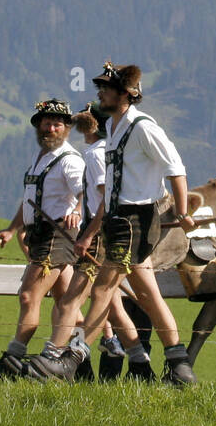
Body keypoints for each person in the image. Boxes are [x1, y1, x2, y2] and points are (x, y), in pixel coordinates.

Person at [30, 62, 197, 384]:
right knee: (148, 295)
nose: (99, 93)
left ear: (125, 94)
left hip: (136, 219)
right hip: (119, 218)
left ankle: (73, 356)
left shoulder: (144, 127)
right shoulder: (117, 129)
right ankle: (179, 364)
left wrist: (181, 211)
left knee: (104, 287)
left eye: (106, 88)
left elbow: (175, 167)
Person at [0, 99, 86, 379]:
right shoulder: (41, 159)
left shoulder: (70, 160)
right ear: (38, 126)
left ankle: (13, 359)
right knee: (65, 302)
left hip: (57, 235)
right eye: (46, 123)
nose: (50, 128)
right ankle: (81, 365)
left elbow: (86, 191)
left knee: (28, 296)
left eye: (57, 123)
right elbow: (29, 201)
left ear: (67, 128)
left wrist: (77, 209)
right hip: (40, 235)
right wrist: (12, 230)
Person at [71, 104, 146, 381]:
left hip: (98, 233)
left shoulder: (94, 154)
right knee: (111, 303)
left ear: (90, 126)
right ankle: (137, 359)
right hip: (103, 230)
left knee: (69, 302)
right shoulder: (106, 151)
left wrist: (89, 234)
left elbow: (105, 199)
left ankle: (64, 355)